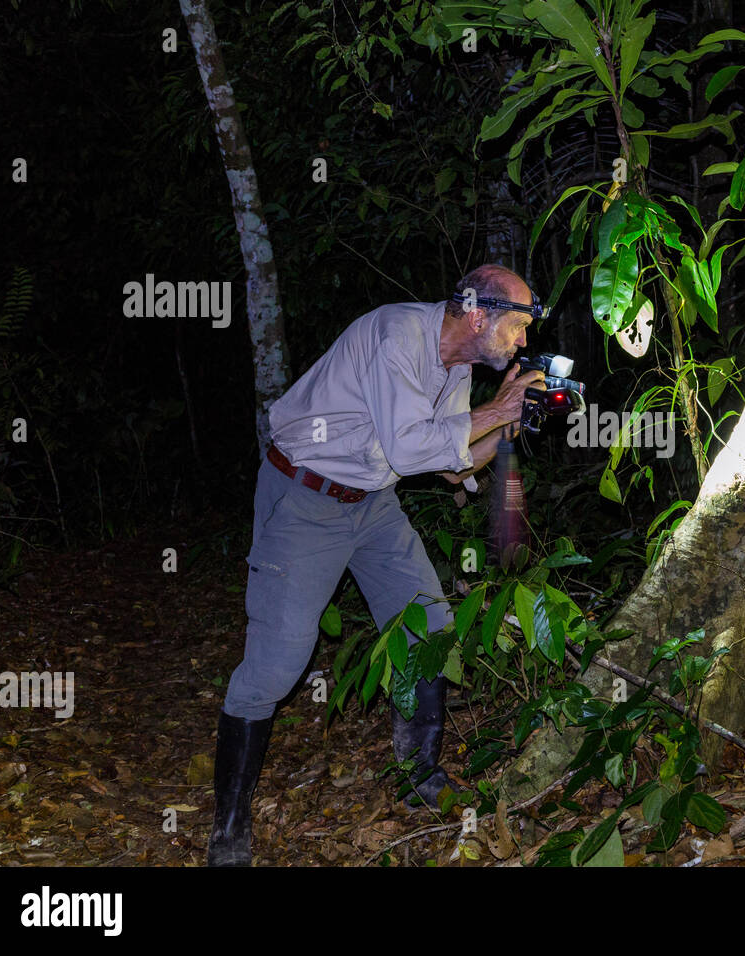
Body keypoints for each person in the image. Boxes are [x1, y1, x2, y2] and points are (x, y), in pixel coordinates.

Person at [207, 263, 547, 867]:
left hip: (373, 502)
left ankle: (420, 777)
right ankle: (229, 825)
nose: (523, 341)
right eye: (517, 326)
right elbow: (410, 444)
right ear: (477, 314)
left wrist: (516, 424)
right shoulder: (395, 336)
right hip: (307, 497)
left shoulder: (459, 368)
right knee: (277, 668)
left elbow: (451, 468)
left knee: (430, 628)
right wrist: (497, 411)